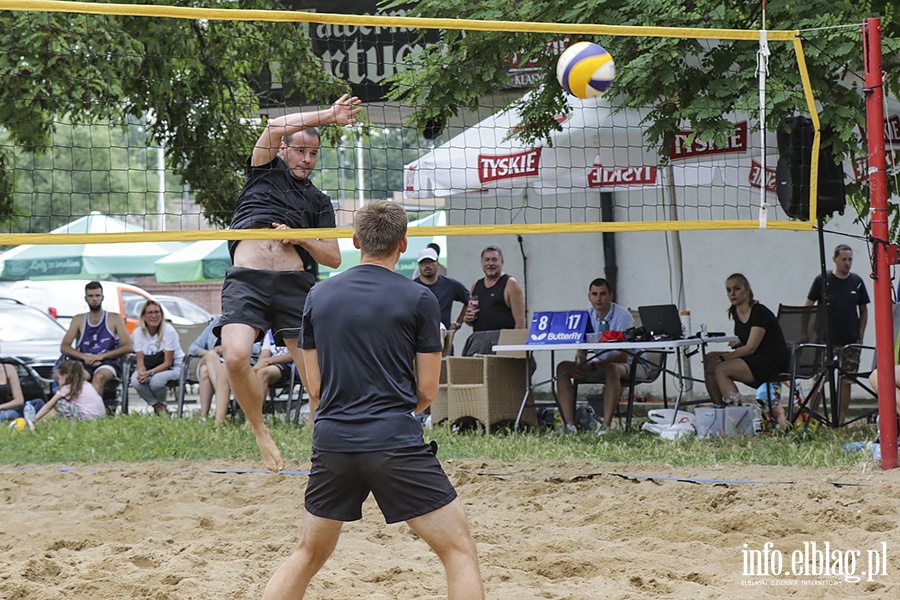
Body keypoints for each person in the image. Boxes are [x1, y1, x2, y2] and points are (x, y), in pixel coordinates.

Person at [261, 200, 483, 599]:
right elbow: (428, 390)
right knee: (458, 553)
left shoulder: (318, 295)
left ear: (353, 240)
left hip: (333, 442)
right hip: (393, 442)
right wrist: (393, 414)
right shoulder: (419, 298)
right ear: (403, 243)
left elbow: (315, 389)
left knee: (307, 553)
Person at [218, 94, 362, 472]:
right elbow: (273, 126)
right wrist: (330, 116)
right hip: (247, 280)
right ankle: (260, 430)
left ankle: (324, 455)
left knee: (316, 381)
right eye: (301, 151)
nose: (307, 160)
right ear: (285, 149)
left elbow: (333, 257)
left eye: (313, 154)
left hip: (294, 285)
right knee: (234, 357)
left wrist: (300, 237)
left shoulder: (318, 200)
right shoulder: (263, 170)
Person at [555, 278, 641, 433]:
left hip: (630, 364)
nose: (598, 298)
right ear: (589, 297)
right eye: (594, 294)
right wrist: (581, 364)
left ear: (610, 296)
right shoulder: (585, 315)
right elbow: (582, 350)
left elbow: (623, 355)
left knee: (612, 369)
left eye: (602, 294)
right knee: (563, 368)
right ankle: (569, 425)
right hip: (600, 364)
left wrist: (592, 366)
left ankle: (606, 426)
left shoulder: (623, 316)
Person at [706, 274, 790, 426]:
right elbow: (748, 341)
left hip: (772, 360)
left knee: (721, 368)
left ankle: (736, 416)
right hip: (756, 357)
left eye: (737, 289)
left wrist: (724, 358)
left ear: (747, 289)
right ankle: (719, 409)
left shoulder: (759, 311)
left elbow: (751, 347)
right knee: (710, 358)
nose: (732, 293)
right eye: (728, 290)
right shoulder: (736, 312)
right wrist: (738, 344)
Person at [805, 244, 870, 425]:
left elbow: (864, 310)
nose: (847, 263)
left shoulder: (856, 281)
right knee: (819, 378)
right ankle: (812, 418)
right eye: (844, 259)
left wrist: (860, 334)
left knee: (846, 380)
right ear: (835, 259)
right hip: (826, 340)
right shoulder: (823, 280)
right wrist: (809, 331)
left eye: (850, 259)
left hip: (850, 340)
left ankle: (840, 420)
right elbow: (808, 305)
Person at [59, 281, 133, 398]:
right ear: (86, 298)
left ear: (102, 297)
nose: (94, 299)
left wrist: (102, 356)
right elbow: (65, 346)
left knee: (99, 377)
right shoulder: (78, 319)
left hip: (108, 362)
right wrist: (85, 357)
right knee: (76, 378)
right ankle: (76, 411)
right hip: (85, 362)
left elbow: (128, 346)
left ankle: (94, 413)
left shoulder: (114, 318)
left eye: (97, 296)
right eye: (91, 296)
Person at [461, 245, 526, 356]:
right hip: (479, 342)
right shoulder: (476, 285)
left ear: (502, 262)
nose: (490, 263)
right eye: (487, 260)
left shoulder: (510, 283)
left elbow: (520, 322)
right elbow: (471, 317)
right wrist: (468, 319)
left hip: (502, 341)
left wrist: (516, 350)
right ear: (482, 263)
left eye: (494, 260)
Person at [130, 300, 184, 415]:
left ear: (161, 315)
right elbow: (140, 359)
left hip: (174, 367)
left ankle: (162, 404)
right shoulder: (138, 333)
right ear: (143, 316)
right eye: (150, 313)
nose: (153, 316)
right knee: (135, 381)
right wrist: (141, 372)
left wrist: (149, 373)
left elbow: (168, 363)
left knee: (156, 381)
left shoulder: (169, 331)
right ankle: (158, 406)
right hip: (150, 366)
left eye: (157, 312)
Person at [413, 247, 469, 332]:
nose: (427, 265)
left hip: (443, 336)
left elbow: (469, 300)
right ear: (419, 266)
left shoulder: (450, 284)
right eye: (423, 263)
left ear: (438, 264)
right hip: (418, 336)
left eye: (430, 262)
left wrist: (458, 323)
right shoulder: (412, 287)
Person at [33, 360, 105, 423]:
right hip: (99, 417)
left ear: (65, 376)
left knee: (59, 402)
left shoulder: (67, 387)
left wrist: (34, 419)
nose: (58, 381)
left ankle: (72, 423)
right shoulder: (85, 384)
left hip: (88, 418)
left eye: (58, 378)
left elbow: (48, 406)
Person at [187, 316, 224, 420]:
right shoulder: (216, 322)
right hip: (211, 360)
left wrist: (225, 349)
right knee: (211, 356)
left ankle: (204, 417)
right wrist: (210, 353)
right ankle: (222, 392)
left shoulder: (242, 324)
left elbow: (256, 349)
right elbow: (193, 348)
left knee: (205, 371)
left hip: (229, 364)